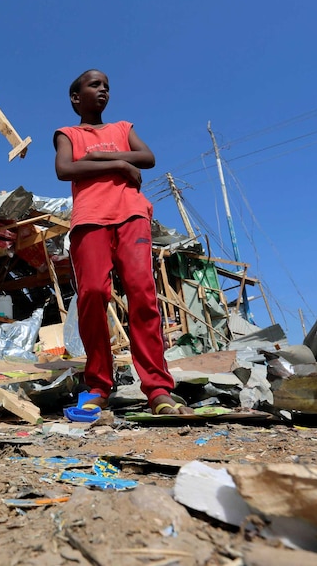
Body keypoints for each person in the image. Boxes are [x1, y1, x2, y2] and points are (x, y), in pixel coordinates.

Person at [54, 69, 193, 415]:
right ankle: (99, 385)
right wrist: (117, 163)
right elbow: (64, 169)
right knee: (93, 294)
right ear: (76, 97)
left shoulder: (123, 129)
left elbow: (148, 159)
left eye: (106, 86)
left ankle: (158, 388)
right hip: (89, 218)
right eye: (94, 85)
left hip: (131, 213)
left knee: (142, 291)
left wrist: (99, 159)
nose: (103, 90)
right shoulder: (67, 134)